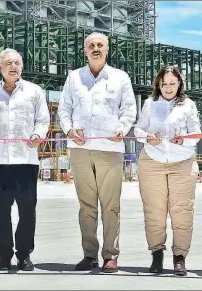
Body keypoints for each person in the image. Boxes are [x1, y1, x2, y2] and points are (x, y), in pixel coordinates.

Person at [58, 32, 136, 272]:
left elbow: (129, 110)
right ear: (84, 50)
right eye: (91, 45)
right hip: (80, 150)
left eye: (100, 45)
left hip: (110, 149)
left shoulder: (120, 77)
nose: (95, 48)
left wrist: (122, 129)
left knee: (111, 205)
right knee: (86, 206)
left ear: (107, 49)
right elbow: (64, 110)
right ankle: (89, 254)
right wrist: (70, 131)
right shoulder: (74, 77)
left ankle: (110, 255)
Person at [0, 48, 50, 271]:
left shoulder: (34, 91)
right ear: (0, 67)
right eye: (8, 63)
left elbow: (43, 120)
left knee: (27, 210)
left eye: (17, 63)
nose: (14, 67)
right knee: (1, 212)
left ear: (22, 66)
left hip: (26, 160)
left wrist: (38, 134)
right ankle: (4, 255)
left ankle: (24, 255)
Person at [134, 66, 201, 276]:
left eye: (173, 83)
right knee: (154, 211)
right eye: (164, 84)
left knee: (182, 212)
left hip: (182, 162)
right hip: (152, 161)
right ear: (158, 85)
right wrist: (147, 138)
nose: (168, 88)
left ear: (179, 84)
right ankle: (157, 254)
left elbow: (197, 133)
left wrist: (185, 138)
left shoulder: (188, 105)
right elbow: (138, 129)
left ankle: (179, 257)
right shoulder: (150, 104)